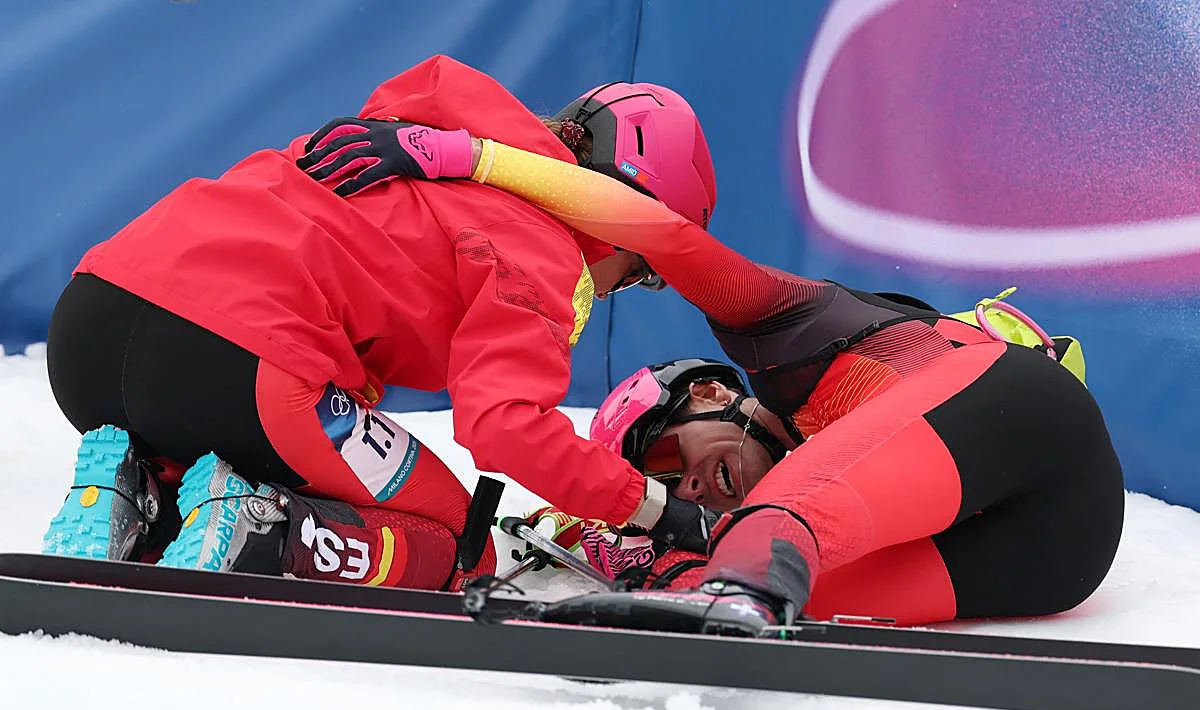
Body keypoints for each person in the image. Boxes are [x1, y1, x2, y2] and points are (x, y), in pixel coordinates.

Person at [300, 121, 1124, 632]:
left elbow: (654, 231)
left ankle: (737, 595)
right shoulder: (787, 500)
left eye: (665, 457)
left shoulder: (786, 333)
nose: (688, 485)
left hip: (1031, 419)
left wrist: (471, 157)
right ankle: (729, 596)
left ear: (707, 393)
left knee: (780, 524)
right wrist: (622, 547)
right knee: (742, 570)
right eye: (662, 481)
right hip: (1055, 554)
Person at [40, 55, 722, 592]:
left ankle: (130, 499)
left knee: (253, 443)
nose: (620, 287)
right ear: (625, 213)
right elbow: (504, 425)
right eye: (643, 268)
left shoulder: (423, 138)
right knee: (456, 540)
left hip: (90, 326)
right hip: (244, 359)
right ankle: (264, 533)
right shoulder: (543, 245)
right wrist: (657, 508)